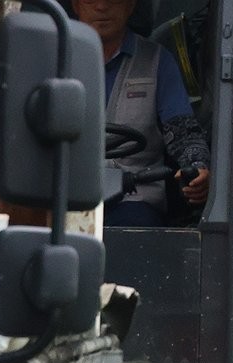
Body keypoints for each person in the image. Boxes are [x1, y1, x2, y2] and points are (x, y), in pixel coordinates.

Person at [73, 0, 211, 226]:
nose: (101, 6)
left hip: (133, 196)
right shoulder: (51, 57)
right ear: (76, 5)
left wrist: (197, 166)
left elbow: (183, 130)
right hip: (61, 193)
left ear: (130, 5)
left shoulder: (157, 61)